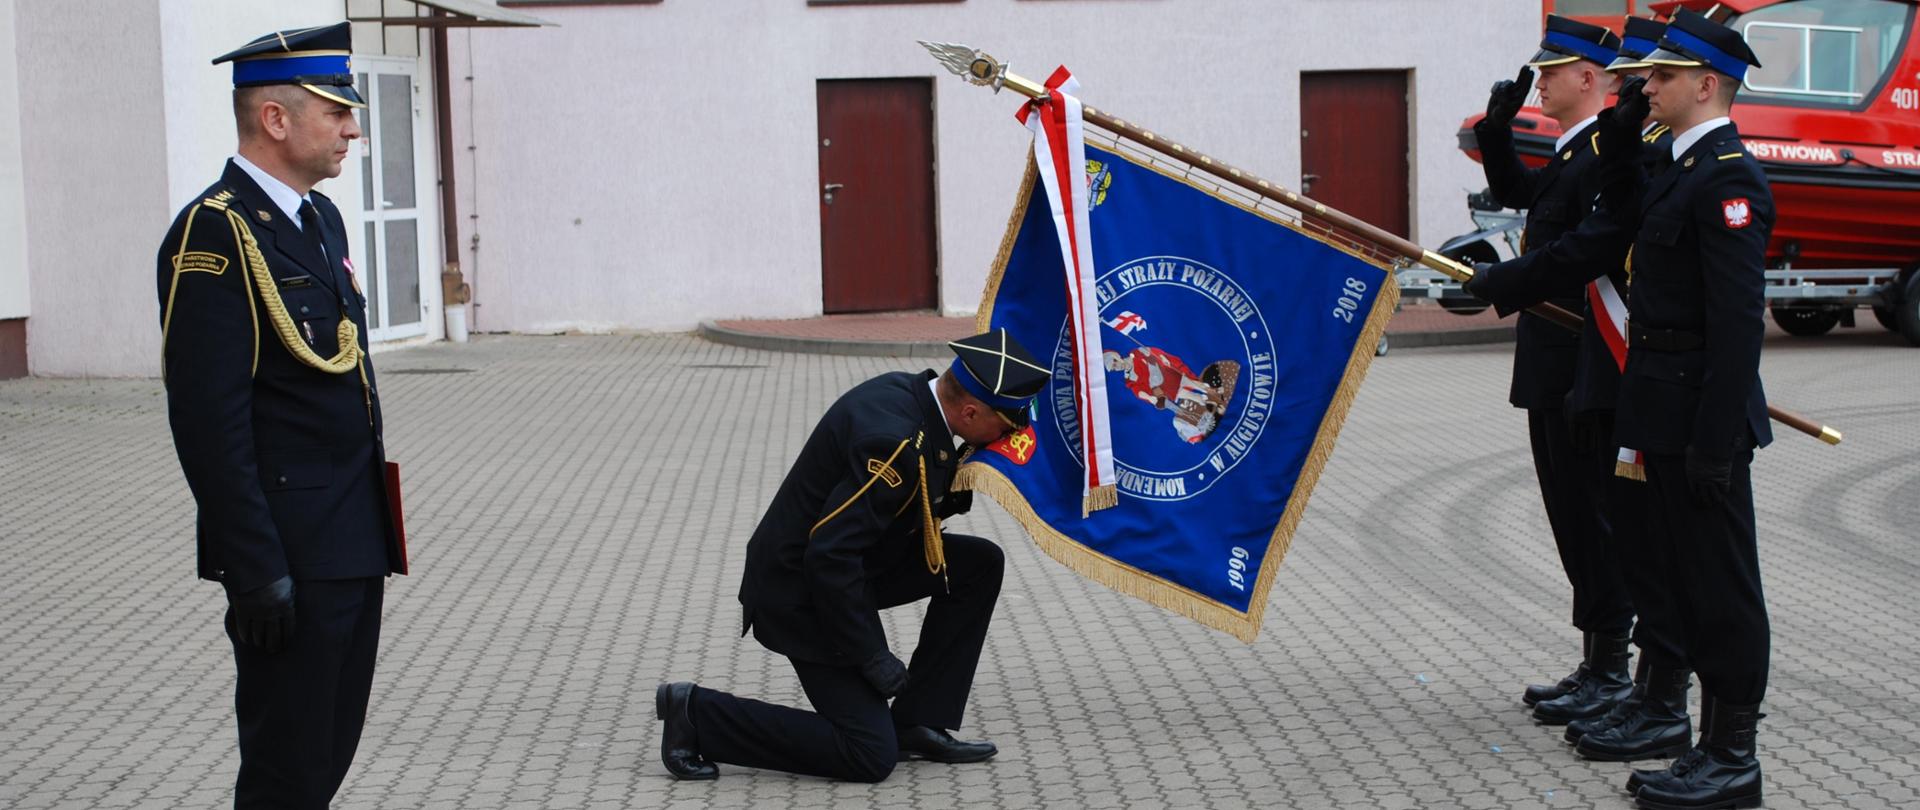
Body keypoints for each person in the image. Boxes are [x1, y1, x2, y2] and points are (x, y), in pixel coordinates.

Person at [1473, 10, 1775, 807]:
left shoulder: (1728, 178)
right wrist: (1618, 139)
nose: (1645, 86)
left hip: (1697, 421)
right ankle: (1697, 738)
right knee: (1675, 578)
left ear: (1706, 85)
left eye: (1663, 76)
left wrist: (1713, 440)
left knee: (1722, 592)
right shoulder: (1676, 170)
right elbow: (1615, 223)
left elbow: (1738, 327)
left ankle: (1732, 756)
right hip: (1656, 408)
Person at [155, 22, 404, 809]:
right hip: (289, 551)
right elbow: (209, 422)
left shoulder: (319, 220)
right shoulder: (214, 234)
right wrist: (255, 568)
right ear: (275, 119)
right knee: (285, 769)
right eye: (336, 111)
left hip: (352, 536)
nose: (352, 130)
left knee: (326, 753)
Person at [656, 329, 1048, 782]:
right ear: (971, 411)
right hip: (800, 590)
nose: (1010, 435)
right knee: (869, 753)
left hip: (855, 564)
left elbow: (898, 508)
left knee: (979, 565)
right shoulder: (894, 443)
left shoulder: (916, 396)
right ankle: (696, 715)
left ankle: (918, 721)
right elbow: (829, 557)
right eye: (1007, 424)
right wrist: (871, 655)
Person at [1474, 14, 1636, 726]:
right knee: (1571, 520)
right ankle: (1597, 661)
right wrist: (1497, 133)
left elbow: (1580, 254)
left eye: (1551, 72)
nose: (1539, 82)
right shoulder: (1576, 153)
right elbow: (1522, 194)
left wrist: (1503, 282)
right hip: (1551, 363)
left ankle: (1613, 667)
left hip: (1581, 366)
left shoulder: (1603, 154)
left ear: (1589, 78)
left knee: (1594, 520)